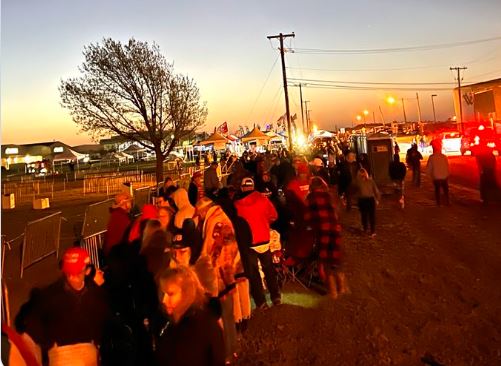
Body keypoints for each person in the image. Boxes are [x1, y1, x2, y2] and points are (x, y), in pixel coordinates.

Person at [16, 248, 112, 365]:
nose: (71, 278)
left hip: (89, 355)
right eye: (69, 273)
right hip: (61, 357)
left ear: (87, 271)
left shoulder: (97, 295)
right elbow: (29, 334)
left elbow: (106, 328)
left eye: (77, 273)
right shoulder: (49, 296)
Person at [154, 266, 225, 366]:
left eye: (170, 294)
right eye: (163, 293)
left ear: (187, 293)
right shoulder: (172, 322)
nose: (164, 300)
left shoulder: (201, 328)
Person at [234, 178, 281, 308]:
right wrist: (265, 223)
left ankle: (261, 302)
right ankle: (276, 296)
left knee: (253, 273)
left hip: (249, 243)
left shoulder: (237, 205)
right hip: (264, 239)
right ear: (253, 186)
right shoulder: (263, 199)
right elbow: (274, 215)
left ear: (242, 188)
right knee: (269, 269)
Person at [304, 177, 348, 299]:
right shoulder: (330, 196)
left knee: (326, 261)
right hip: (335, 229)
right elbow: (338, 212)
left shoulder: (310, 198)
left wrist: (309, 227)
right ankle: (343, 288)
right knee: (337, 259)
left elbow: (307, 217)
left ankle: (333, 292)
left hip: (322, 232)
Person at [104, 192, 132, 256]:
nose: (131, 204)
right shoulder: (122, 217)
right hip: (117, 252)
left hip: (113, 251)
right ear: (124, 203)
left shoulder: (116, 214)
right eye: (129, 202)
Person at [355, 168, 381, 237]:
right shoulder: (358, 182)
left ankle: (371, 230)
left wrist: (377, 199)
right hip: (363, 200)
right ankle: (367, 229)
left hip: (368, 200)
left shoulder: (369, 181)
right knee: (365, 216)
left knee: (369, 216)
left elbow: (376, 191)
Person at [426, 141, 450, 206]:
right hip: (444, 176)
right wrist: (447, 174)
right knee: (445, 190)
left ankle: (438, 203)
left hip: (436, 177)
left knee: (437, 190)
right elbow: (447, 166)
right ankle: (447, 201)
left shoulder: (432, 157)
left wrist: (428, 175)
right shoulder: (444, 156)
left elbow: (429, 168)